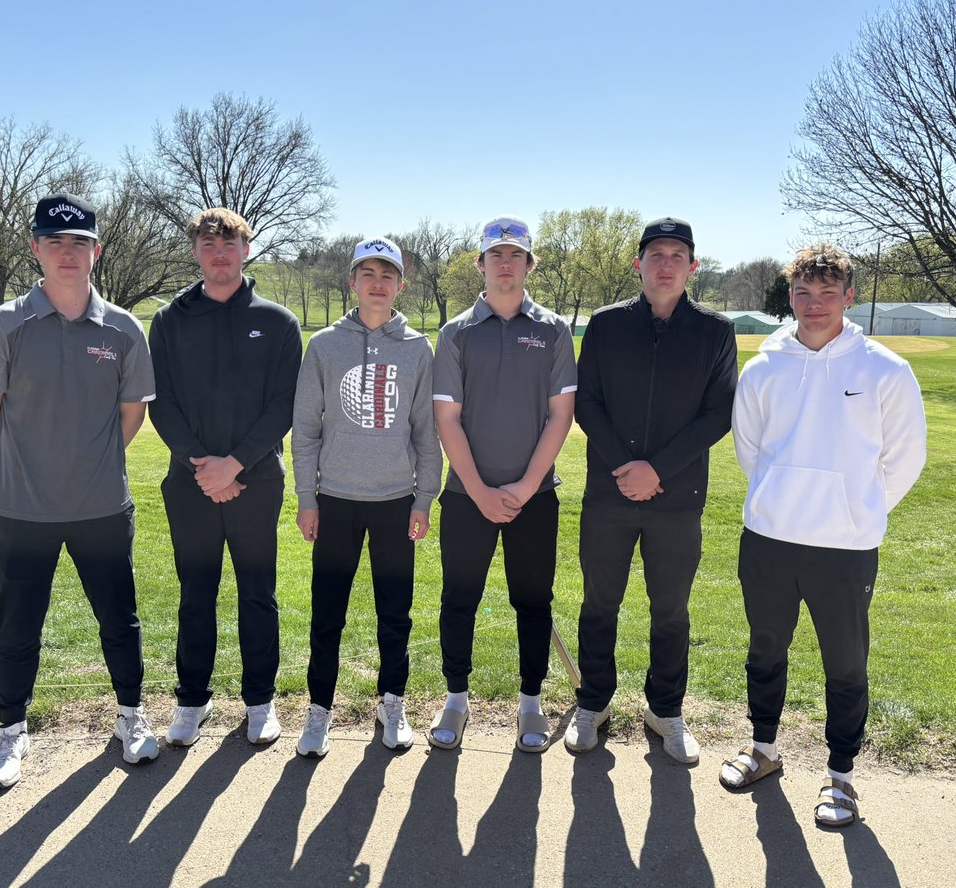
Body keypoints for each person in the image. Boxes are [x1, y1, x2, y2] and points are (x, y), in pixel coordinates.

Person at [720, 244, 926, 827]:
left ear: (849, 298)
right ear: (791, 297)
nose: (814, 305)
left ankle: (841, 777)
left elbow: (905, 457)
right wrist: (779, 496)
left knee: (845, 664)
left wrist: (857, 509)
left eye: (827, 294)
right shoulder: (764, 366)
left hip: (845, 547)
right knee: (765, 650)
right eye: (804, 294)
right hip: (768, 537)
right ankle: (763, 750)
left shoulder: (885, 369)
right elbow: (750, 449)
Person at [0, 192, 159, 789]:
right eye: (55, 241)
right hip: (22, 510)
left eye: (79, 242)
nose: (67, 253)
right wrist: (34, 467)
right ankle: (11, 733)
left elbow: (132, 416)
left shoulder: (124, 328)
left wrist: (88, 466)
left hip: (102, 507)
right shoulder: (2, 325)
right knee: (19, 624)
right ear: (36, 249)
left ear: (96, 250)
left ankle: (130, 716)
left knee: (118, 619)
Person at [565, 217, 738, 758]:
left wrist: (657, 470)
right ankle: (593, 702)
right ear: (638, 263)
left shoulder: (714, 331)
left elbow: (718, 415)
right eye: (655, 254)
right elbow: (586, 401)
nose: (665, 264)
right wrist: (625, 466)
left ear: (692, 266)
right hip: (608, 496)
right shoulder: (607, 324)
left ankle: (664, 709)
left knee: (671, 610)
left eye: (676, 255)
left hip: (677, 499)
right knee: (599, 604)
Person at [148, 208, 301, 747]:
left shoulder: (277, 321)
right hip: (188, 481)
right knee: (197, 593)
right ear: (194, 251)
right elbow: (159, 402)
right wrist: (203, 467)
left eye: (230, 243)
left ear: (246, 250)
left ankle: (260, 701)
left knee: (257, 593)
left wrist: (233, 465)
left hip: (256, 481)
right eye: (208, 243)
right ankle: (192, 700)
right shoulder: (169, 320)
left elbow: (285, 404)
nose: (219, 252)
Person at [429, 216, 577, 753]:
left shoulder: (555, 329)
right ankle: (455, 699)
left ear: (529, 264)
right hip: (467, 497)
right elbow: (448, 420)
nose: (506, 263)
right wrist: (483, 492)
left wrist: (523, 486)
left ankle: (531, 705)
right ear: (481, 264)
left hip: (534, 498)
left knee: (533, 600)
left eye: (516, 255)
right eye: (496, 255)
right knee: (459, 599)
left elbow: (560, 415)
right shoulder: (456, 333)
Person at [291, 237, 442, 758]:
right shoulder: (324, 345)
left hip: (396, 500)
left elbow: (427, 431)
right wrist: (305, 497)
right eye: (367, 274)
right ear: (352, 282)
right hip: (334, 498)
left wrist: (424, 498)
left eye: (388, 275)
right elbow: (305, 428)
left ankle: (391, 701)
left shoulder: (418, 348)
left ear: (401, 285)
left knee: (394, 611)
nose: (378, 284)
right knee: (327, 610)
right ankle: (319, 709)